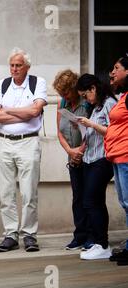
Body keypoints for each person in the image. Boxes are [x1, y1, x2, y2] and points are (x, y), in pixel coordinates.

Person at [0, 47, 47, 252]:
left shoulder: (37, 83)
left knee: (28, 192)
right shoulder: (2, 85)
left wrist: (9, 110)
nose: (14, 69)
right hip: (4, 142)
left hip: (28, 142)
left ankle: (29, 234)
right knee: (6, 192)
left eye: (18, 65)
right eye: (12, 65)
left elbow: (35, 111)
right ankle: (10, 234)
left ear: (27, 67)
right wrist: (24, 113)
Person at [76, 73, 116, 260]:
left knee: (91, 201)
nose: (85, 99)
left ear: (93, 88)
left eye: (85, 94)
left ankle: (103, 243)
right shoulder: (95, 107)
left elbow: (113, 131)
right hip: (90, 159)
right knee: (94, 201)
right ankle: (100, 243)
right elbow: (94, 133)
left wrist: (90, 123)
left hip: (103, 159)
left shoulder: (109, 103)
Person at [52, 69, 93, 250]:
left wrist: (80, 151)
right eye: (61, 94)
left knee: (90, 197)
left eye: (66, 92)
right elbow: (59, 131)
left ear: (75, 88)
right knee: (77, 197)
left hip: (89, 156)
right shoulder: (63, 102)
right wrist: (70, 150)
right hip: (72, 156)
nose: (64, 97)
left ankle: (93, 235)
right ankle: (80, 235)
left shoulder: (87, 103)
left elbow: (92, 131)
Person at [105, 56, 128, 265]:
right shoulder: (123, 95)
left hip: (126, 156)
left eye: (117, 68)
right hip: (118, 156)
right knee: (125, 202)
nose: (112, 72)